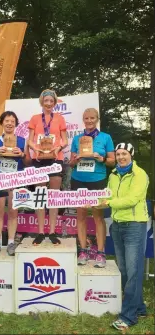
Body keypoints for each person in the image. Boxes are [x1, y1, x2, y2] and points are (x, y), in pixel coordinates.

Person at [101, 143, 149, 331]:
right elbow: (108, 195)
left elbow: (132, 199)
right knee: (125, 270)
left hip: (135, 226)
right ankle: (140, 308)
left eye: (125, 154)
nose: (121, 157)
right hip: (117, 225)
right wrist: (95, 200)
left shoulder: (140, 175)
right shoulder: (113, 174)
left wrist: (108, 202)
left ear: (132, 155)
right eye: (118, 154)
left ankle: (128, 316)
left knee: (133, 271)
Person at [69, 108, 115, 267]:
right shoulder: (77, 139)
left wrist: (99, 158)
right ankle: (83, 250)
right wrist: (76, 159)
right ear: (83, 119)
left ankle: (100, 252)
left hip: (98, 180)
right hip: (78, 179)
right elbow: (70, 163)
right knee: (81, 215)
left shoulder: (105, 137)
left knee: (98, 216)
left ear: (97, 119)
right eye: (86, 118)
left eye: (92, 118)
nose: (89, 121)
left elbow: (112, 161)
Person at [0, 111, 31, 256]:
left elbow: (28, 162)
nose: (9, 123)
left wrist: (22, 154)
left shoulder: (22, 141)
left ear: (16, 124)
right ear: (2, 123)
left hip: (16, 179)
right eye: (7, 120)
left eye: (12, 121)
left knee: (13, 212)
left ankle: (11, 242)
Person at [28, 89, 68, 245]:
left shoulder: (60, 119)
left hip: (55, 158)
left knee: (53, 196)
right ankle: (40, 231)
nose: (49, 104)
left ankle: (52, 231)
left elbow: (64, 140)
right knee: (40, 195)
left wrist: (58, 148)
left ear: (55, 103)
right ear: (42, 102)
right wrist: (35, 148)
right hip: (39, 158)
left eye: (52, 101)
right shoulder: (35, 118)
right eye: (46, 101)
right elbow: (30, 140)